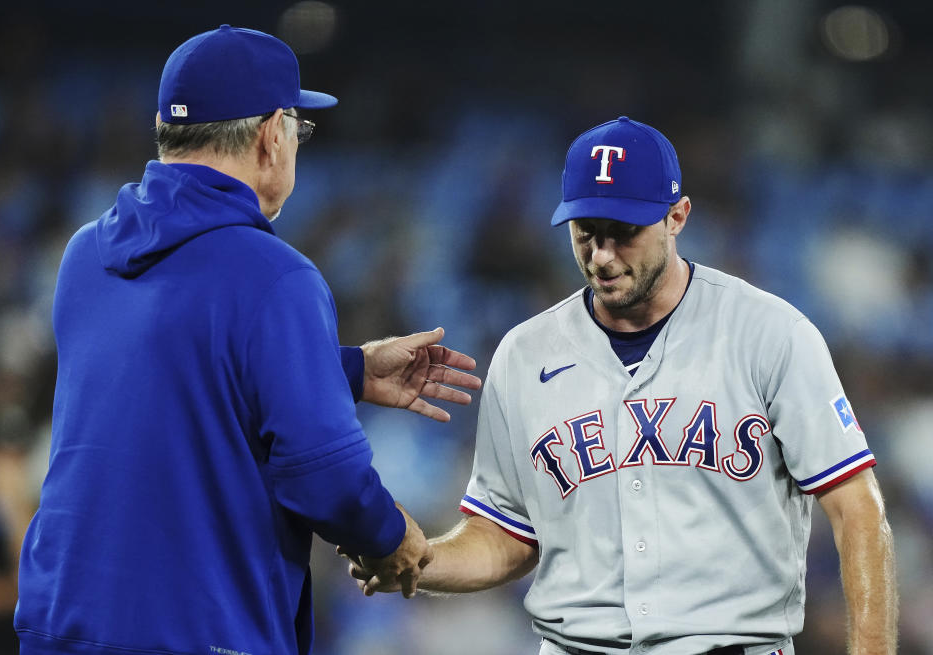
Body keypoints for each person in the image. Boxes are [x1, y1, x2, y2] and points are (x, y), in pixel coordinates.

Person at [348, 117, 899, 655]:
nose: (602, 255)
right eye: (586, 234)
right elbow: (508, 535)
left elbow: (857, 509)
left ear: (677, 216)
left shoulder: (769, 334)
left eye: (624, 233)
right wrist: (421, 560)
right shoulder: (524, 355)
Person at [14, 25, 481, 655]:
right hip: (196, 632)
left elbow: (172, 372)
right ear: (270, 134)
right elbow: (325, 478)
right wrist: (391, 538)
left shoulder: (86, 257)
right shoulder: (276, 276)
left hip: (59, 623)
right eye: (299, 129)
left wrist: (346, 370)